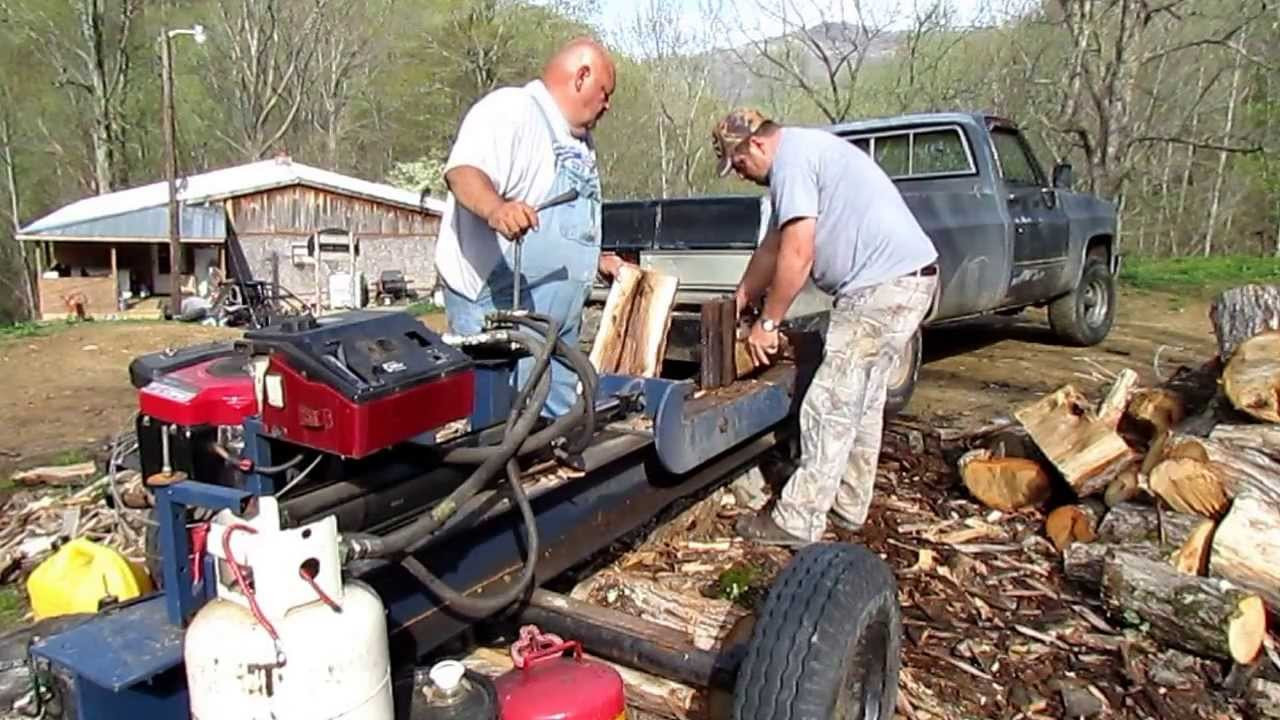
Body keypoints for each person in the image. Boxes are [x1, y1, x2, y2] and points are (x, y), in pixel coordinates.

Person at [711, 108, 940, 546]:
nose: (740, 173)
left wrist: (769, 322)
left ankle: (796, 520)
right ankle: (849, 504)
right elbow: (773, 246)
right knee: (863, 399)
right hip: (906, 281)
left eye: (738, 163)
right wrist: (739, 299)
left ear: (756, 144)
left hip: (882, 287)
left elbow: (798, 254)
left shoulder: (791, 163)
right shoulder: (803, 153)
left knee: (829, 402)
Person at [435, 37, 628, 416]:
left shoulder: (578, 142)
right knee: (501, 424)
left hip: (557, 328)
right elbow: (463, 172)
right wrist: (496, 209)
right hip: (500, 310)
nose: (608, 104)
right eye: (605, 92)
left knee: (553, 427)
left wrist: (597, 261)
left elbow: (564, 226)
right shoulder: (511, 111)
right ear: (581, 76)